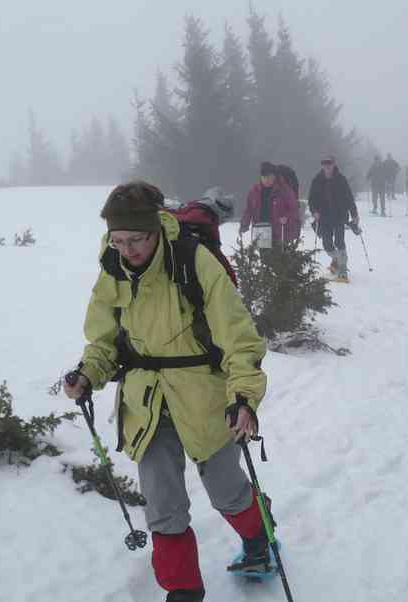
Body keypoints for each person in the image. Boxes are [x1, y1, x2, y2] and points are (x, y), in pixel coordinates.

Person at [64, 181, 269, 602]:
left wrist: (244, 396)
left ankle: (259, 539)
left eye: (135, 239)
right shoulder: (113, 266)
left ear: (156, 228)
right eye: (118, 240)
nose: (127, 249)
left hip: (205, 399)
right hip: (147, 403)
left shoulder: (194, 261)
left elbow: (239, 339)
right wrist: (88, 373)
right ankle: (183, 591)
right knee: (162, 505)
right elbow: (103, 338)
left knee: (228, 492)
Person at [308, 155, 359, 281]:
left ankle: (342, 269)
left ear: (334, 164)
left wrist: (354, 214)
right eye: (324, 163)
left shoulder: (341, 180)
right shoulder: (317, 180)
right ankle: (335, 259)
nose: (327, 166)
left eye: (329, 163)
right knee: (327, 243)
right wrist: (314, 211)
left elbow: (349, 198)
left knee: (339, 242)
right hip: (323, 217)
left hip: (339, 216)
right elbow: (311, 199)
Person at [239, 161, 300, 245]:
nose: (266, 180)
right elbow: (249, 209)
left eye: (269, 177)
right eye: (264, 177)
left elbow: (294, 209)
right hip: (261, 230)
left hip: (279, 231)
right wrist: (244, 224)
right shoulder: (254, 191)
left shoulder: (285, 190)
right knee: (264, 257)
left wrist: (287, 217)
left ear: (274, 176)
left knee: (278, 257)